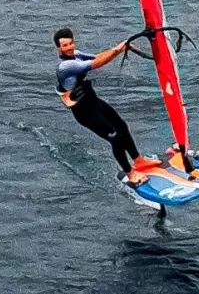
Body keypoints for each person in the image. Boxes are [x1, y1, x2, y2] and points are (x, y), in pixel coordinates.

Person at [54, 27, 148, 181]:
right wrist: (117, 49)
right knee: (115, 137)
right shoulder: (65, 66)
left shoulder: (76, 55)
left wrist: (119, 49)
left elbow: (97, 56)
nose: (69, 47)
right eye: (65, 46)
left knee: (121, 125)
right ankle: (130, 174)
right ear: (58, 48)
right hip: (83, 111)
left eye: (71, 43)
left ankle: (139, 160)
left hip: (92, 100)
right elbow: (97, 63)